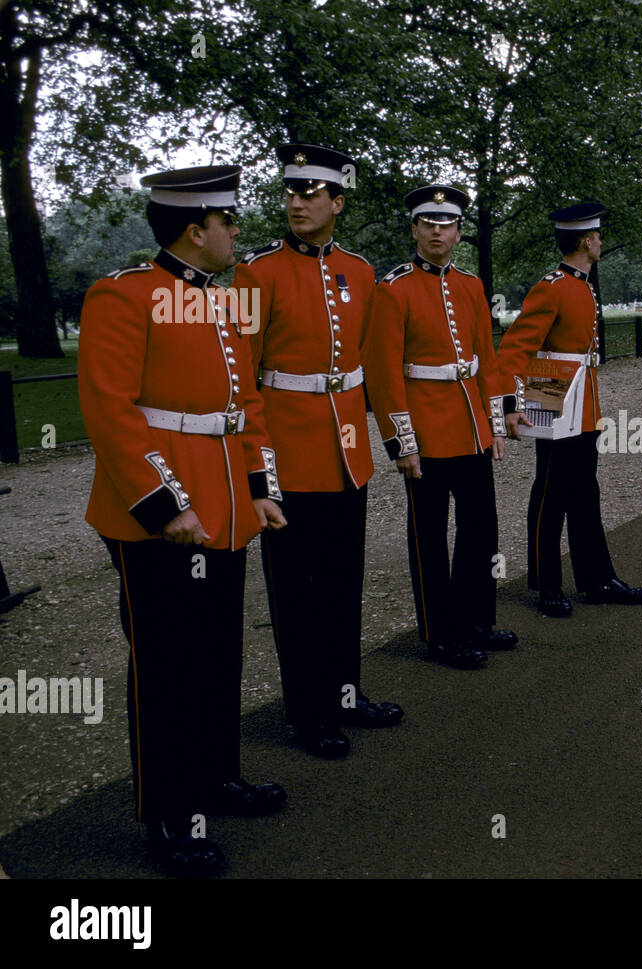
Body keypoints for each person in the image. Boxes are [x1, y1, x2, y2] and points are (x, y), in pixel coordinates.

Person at [79, 165, 288, 876]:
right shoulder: (123, 295)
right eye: (228, 221)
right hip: (163, 515)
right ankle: (166, 816)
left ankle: (214, 779)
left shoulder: (220, 302)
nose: (237, 231)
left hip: (226, 505)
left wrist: (262, 486)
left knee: (217, 653)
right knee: (166, 667)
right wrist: (165, 504)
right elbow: (112, 412)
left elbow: (246, 406)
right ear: (195, 229)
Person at [234, 144, 402, 759]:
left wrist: (389, 436)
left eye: (311, 193)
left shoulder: (359, 271)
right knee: (296, 594)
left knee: (342, 582)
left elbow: (367, 365)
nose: (297, 202)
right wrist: (259, 469)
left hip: (346, 451)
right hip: (288, 455)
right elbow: (243, 381)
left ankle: (345, 694)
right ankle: (308, 712)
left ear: (337, 201)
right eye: (290, 192)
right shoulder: (257, 273)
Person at [365, 184, 518, 668]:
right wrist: (400, 441)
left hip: (471, 426)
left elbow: (486, 360)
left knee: (480, 529)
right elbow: (384, 374)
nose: (437, 231)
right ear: (414, 229)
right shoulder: (392, 288)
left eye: (446, 224)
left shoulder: (471, 285)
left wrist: (492, 423)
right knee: (428, 537)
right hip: (426, 432)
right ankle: (439, 632)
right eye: (428, 224)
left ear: (458, 232)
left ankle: (476, 619)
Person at [496, 203, 642, 617]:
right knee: (550, 493)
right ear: (587, 240)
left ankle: (597, 578)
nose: (600, 242)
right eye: (598, 237)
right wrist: (511, 404)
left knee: (585, 492)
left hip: (583, 403)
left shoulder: (581, 284)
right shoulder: (552, 287)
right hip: (554, 399)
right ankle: (546, 583)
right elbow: (514, 349)